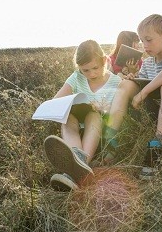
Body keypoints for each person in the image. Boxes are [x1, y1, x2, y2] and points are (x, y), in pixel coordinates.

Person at [103, 14, 162, 180]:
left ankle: (157, 147)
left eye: (148, 40)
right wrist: (132, 78)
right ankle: (110, 139)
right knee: (127, 84)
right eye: (141, 41)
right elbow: (141, 84)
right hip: (156, 111)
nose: (144, 46)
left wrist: (143, 93)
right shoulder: (147, 63)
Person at [43, 40, 122, 191]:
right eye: (85, 70)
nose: (91, 74)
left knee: (93, 115)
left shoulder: (116, 82)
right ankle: (78, 164)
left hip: (99, 133)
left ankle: (78, 165)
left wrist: (102, 109)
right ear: (79, 68)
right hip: (77, 132)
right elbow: (56, 101)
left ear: (105, 61)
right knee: (68, 118)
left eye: (95, 68)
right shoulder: (76, 77)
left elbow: (119, 114)